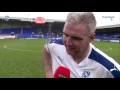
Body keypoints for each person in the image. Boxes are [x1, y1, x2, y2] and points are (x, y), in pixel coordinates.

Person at [43, 12, 120, 78]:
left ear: (91, 37)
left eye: (76, 38)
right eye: (65, 34)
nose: (67, 43)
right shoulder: (56, 44)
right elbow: (47, 48)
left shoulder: (108, 68)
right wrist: (48, 71)